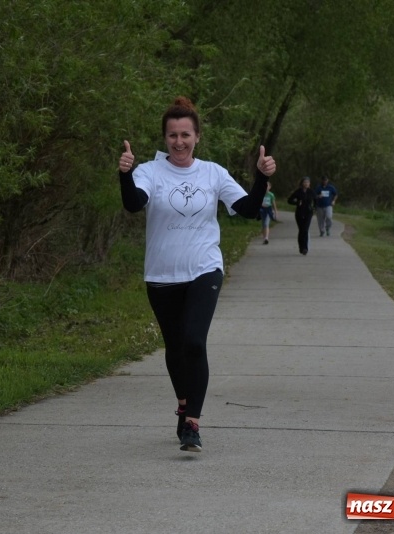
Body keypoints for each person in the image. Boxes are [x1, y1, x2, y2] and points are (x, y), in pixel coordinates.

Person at [118, 96, 277, 453]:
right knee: (175, 348)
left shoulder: (213, 173)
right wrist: (125, 175)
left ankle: (192, 424)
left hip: (204, 269)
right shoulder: (149, 171)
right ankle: (183, 403)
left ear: (197, 136)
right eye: (172, 135)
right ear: (165, 137)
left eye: (185, 134)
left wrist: (260, 177)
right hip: (161, 275)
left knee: (193, 341)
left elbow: (249, 210)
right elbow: (133, 203)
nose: (179, 142)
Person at [287, 177, 315, 255]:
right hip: (299, 212)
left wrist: (314, 208)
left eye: (308, 182)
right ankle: (301, 247)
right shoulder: (298, 192)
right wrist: (296, 203)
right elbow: (289, 200)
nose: (306, 184)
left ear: (309, 184)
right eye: (305, 182)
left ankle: (305, 248)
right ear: (302, 183)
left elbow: (316, 200)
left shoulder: (311, 192)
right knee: (301, 230)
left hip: (308, 212)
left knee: (305, 230)